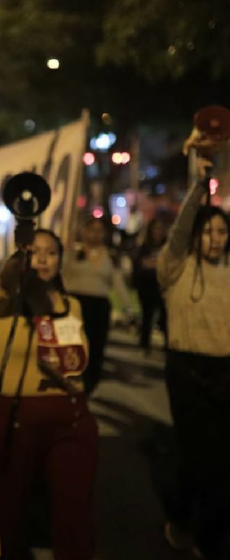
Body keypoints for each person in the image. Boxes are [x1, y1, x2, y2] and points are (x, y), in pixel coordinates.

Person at [0, 229, 97, 560]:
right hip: (17, 416)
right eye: (35, 253)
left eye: (50, 252)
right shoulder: (4, 301)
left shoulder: (72, 305)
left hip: (70, 416)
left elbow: (78, 361)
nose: (43, 259)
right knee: (8, 514)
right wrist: (18, 260)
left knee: (73, 513)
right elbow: (4, 281)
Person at [158, 157, 230, 559]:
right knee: (195, 455)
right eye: (209, 231)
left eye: (222, 231)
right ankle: (183, 519)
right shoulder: (175, 268)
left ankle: (213, 536)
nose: (216, 238)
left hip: (226, 371)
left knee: (223, 458)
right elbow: (181, 228)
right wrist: (201, 186)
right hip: (186, 370)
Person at [62, 217, 133, 394]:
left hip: (99, 307)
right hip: (75, 305)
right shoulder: (73, 253)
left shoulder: (109, 256)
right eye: (91, 229)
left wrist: (128, 308)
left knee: (95, 349)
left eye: (99, 230)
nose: (95, 234)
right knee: (72, 348)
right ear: (83, 231)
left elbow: (118, 284)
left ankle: (89, 386)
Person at [132, 217, 168, 354]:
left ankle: (167, 345)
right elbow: (141, 264)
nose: (158, 232)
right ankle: (144, 344)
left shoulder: (166, 247)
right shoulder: (145, 247)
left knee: (164, 316)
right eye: (156, 229)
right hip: (147, 286)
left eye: (160, 229)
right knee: (147, 315)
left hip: (161, 287)